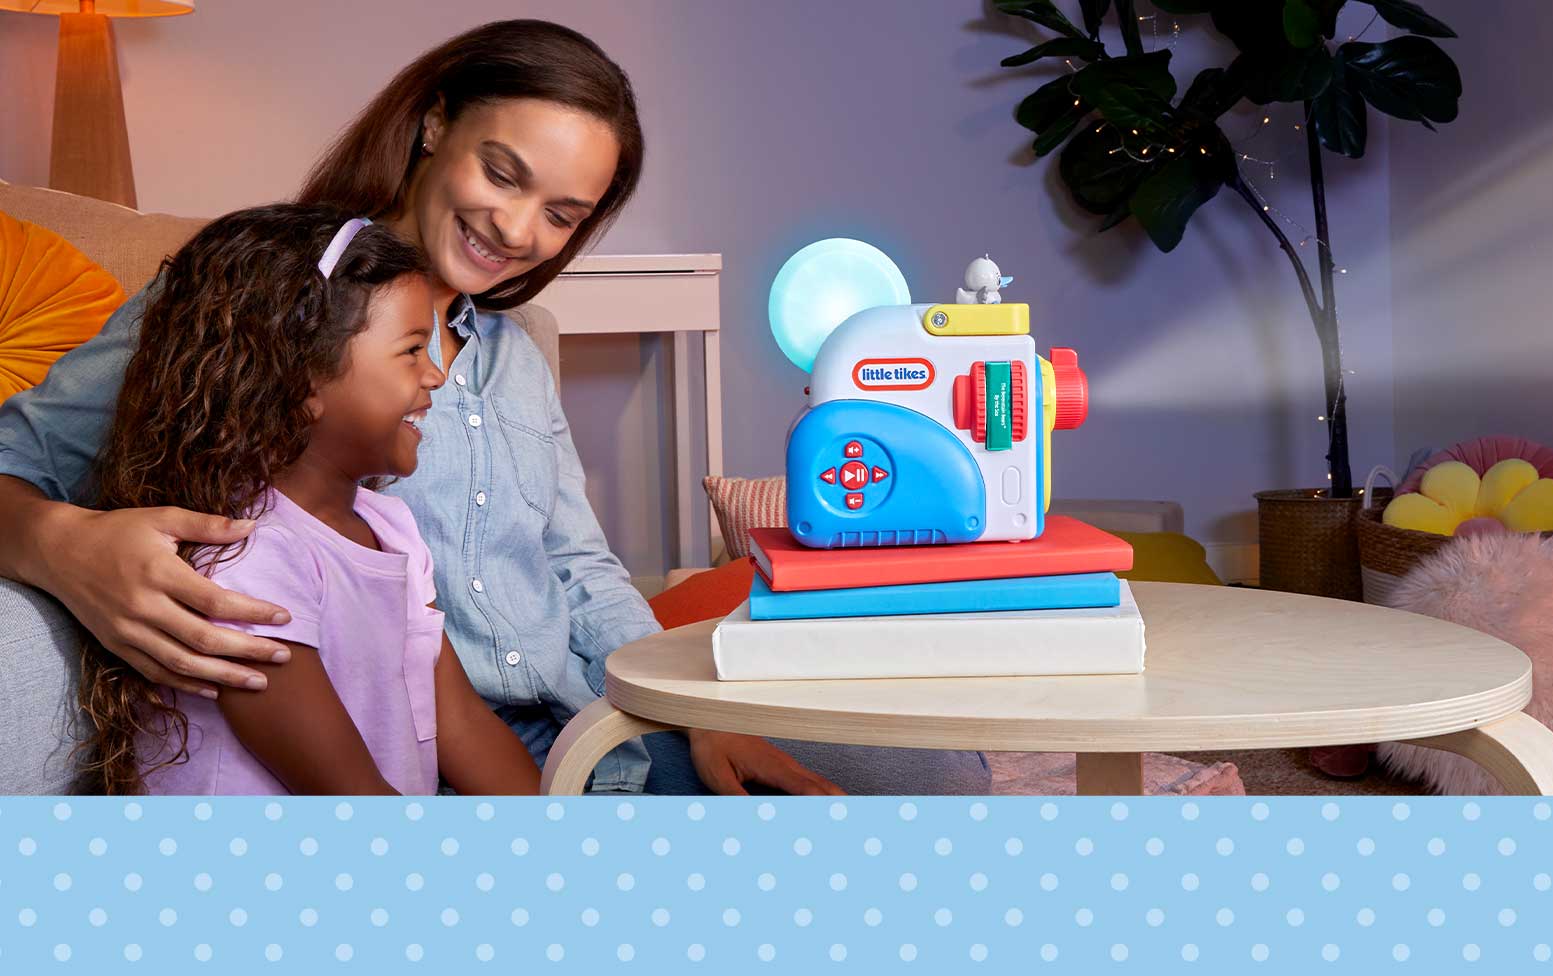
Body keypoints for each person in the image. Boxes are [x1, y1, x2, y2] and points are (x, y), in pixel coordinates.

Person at [0, 19, 989, 798]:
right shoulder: (249, 302)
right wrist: (60, 545)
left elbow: (578, 567)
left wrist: (699, 711)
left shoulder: (513, 359)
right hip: (385, 756)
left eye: (561, 216)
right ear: (435, 124)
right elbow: (19, 459)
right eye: (504, 173)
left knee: (924, 775)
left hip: (582, 733)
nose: (517, 230)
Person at [80, 206, 541, 796]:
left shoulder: (390, 526)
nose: (435, 376)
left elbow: (464, 724)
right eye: (411, 350)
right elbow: (344, 793)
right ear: (302, 381)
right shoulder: (248, 562)